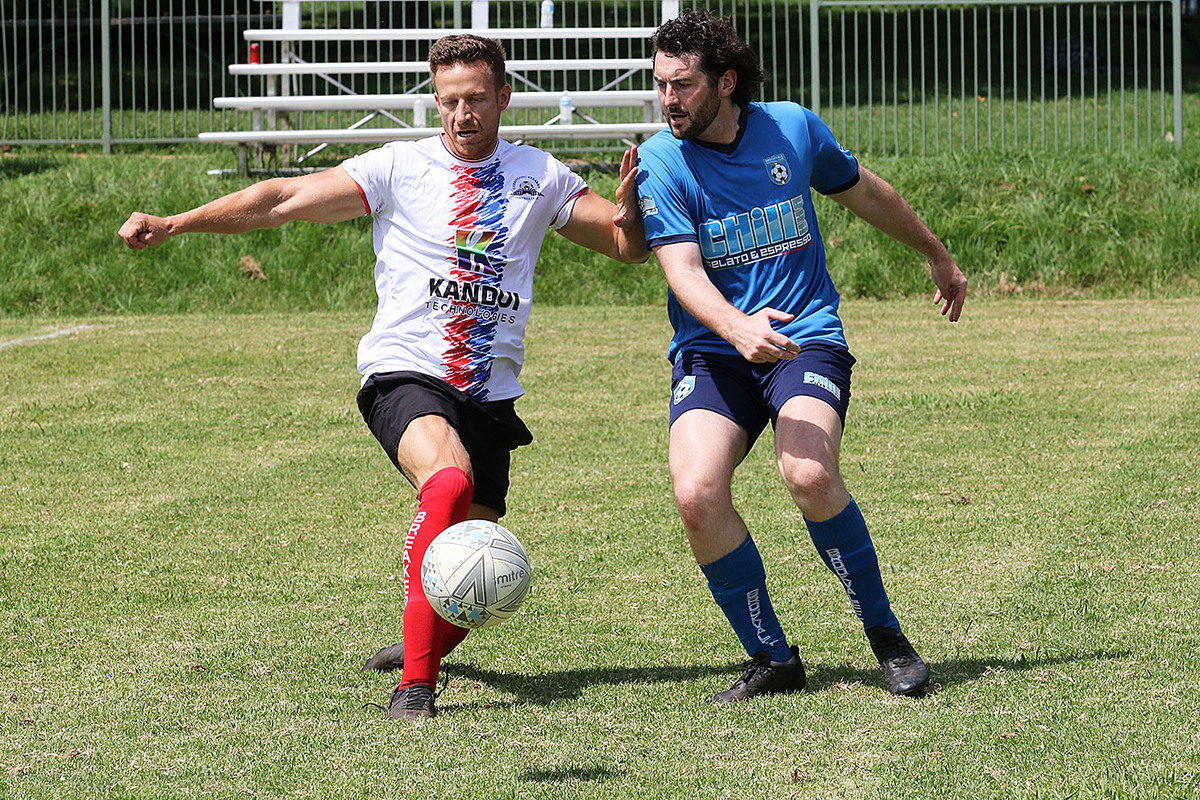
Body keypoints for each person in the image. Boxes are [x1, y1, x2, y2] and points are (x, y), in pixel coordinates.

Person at [118, 34, 647, 720]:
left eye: (477, 99)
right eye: (450, 101)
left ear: (504, 97)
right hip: (406, 374)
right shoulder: (397, 167)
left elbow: (623, 246)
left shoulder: (540, 175)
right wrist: (176, 223)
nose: (463, 114)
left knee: (474, 579)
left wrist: (631, 211)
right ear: (436, 102)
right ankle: (415, 689)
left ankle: (423, 641)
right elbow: (281, 198)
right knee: (448, 481)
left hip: (488, 397)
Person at [634, 11, 967, 702]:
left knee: (809, 473)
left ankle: (886, 637)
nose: (669, 99)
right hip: (715, 349)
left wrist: (936, 254)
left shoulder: (791, 126)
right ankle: (773, 657)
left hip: (803, 337)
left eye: (683, 85)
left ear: (726, 82)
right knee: (696, 494)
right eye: (660, 84)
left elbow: (866, 190)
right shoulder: (661, 160)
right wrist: (734, 328)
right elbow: (682, 270)